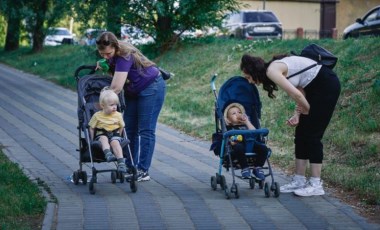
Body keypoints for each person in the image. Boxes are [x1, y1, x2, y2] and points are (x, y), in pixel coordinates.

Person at [240, 53, 340, 197]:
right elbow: (300, 91)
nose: (249, 82)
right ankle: (299, 180)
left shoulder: (272, 71)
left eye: (249, 77)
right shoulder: (273, 69)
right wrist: (297, 114)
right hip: (314, 88)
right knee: (300, 135)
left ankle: (316, 184)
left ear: (254, 72)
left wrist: (307, 109)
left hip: (326, 86)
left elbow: (297, 96)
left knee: (312, 135)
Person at [95, 31, 166, 182]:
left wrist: (102, 104)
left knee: (146, 129)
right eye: (102, 54)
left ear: (115, 47)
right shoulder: (113, 56)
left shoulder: (124, 55)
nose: (105, 56)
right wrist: (106, 63)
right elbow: (111, 67)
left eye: (108, 53)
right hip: (134, 89)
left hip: (151, 87)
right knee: (129, 128)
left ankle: (143, 170)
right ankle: (130, 166)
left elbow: (116, 88)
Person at [224, 103, 267, 180]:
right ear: (228, 120)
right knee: (238, 147)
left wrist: (247, 122)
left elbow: (254, 132)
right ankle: (245, 167)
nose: (238, 114)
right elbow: (231, 141)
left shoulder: (246, 125)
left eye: (239, 112)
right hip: (239, 146)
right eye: (234, 113)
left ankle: (257, 167)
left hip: (252, 144)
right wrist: (233, 141)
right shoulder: (230, 128)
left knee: (263, 148)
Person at [88, 87, 127, 173]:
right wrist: (92, 138)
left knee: (116, 143)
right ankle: (108, 154)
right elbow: (91, 127)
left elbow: (121, 126)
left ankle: (121, 163)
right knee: (103, 139)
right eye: (111, 105)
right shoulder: (97, 116)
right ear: (102, 106)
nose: (114, 107)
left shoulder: (118, 115)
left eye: (116, 104)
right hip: (101, 133)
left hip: (114, 134)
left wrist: (119, 136)